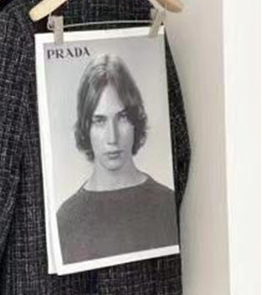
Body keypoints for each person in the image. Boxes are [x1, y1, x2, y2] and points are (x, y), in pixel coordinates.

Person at [56, 53, 178, 266]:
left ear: (135, 121)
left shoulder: (167, 204)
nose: (112, 138)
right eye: (99, 120)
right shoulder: (66, 219)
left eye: (122, 118)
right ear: (86, 127)